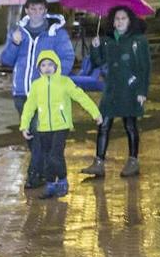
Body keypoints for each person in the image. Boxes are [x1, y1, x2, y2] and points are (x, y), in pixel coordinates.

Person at [1, 0, 75, 189]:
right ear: (26, 10)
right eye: (32, 9)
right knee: (31, 136)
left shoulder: (56, 33)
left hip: (44, 94)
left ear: (45, 10)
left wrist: (54, 80)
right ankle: (47, 169)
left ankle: (34, 175)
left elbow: (67, 58)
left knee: (36, 134)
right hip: (20, 93)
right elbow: (7, 60)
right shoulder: (18, 32)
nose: (36, 13)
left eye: (39, 9)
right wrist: (14, 43)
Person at [19, 49, 102, 198]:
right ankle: (51, 184)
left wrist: (95, 112)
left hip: (61, 126)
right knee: (47, 156)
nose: (47, 68)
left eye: (50, 64)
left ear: (56, 65)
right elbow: (29, 106)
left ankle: (63, 181)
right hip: (43, 127)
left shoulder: (65, 82)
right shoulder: (37, 85)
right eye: (43, 65)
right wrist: (24, 125)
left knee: (55, 155)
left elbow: (81, 97)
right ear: (39, 68)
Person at [81, 6, 151, 178]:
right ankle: (99, 162)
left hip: (130, 89)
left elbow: (145, 67)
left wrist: (142, 91)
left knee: (130, 125)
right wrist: (95, 47)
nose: (119, 22)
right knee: (103, 125)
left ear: (129, 21)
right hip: (111, 90)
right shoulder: (107, 40)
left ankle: (133, 161)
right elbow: (98, 62)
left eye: (123, 18)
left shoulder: (139, 40)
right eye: (117, 19)